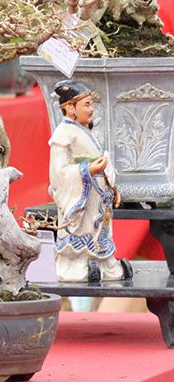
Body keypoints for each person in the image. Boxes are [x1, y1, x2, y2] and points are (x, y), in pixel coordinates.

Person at [48, 79, 133, 283]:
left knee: (101, 229)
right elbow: (58, 173)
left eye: (92, 104)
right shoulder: (63, 134)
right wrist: (87, 169)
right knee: (85, 229)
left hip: (99, 195)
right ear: (70, 108)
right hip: (82, 195)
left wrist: (113, 187)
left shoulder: (86, 131)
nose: (91, 109)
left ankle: (105, 263)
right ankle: (78, 264)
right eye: (87, 104)